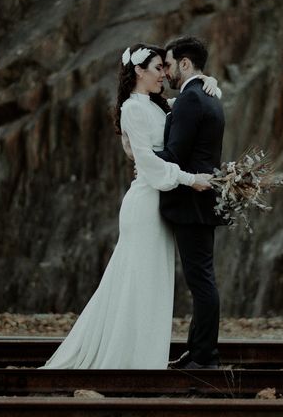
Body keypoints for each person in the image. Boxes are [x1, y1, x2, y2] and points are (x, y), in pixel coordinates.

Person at [39, 43, 219, 369]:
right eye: (157, 69)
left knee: (150, 284)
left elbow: (191, 105)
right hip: (145, 205)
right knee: (138, 284)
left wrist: (210, 82)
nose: (164, 75)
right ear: (138, 71)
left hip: (159, 203)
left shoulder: (156, 105)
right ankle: (130, 360)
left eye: (166, 69)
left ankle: (143, 357)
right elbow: (149, 164)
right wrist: (190, 179)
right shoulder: (133, 109)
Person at [157, 36, 226, 370]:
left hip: (192, 202)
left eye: (168, 64)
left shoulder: (191, 100)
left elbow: (174, 154)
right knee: (201, 278)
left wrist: (143, 155)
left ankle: (205, 356)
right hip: (201, 203)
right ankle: (196, 350)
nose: (166, 72)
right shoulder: (209, 97)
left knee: (201, 280)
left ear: (185, 64)